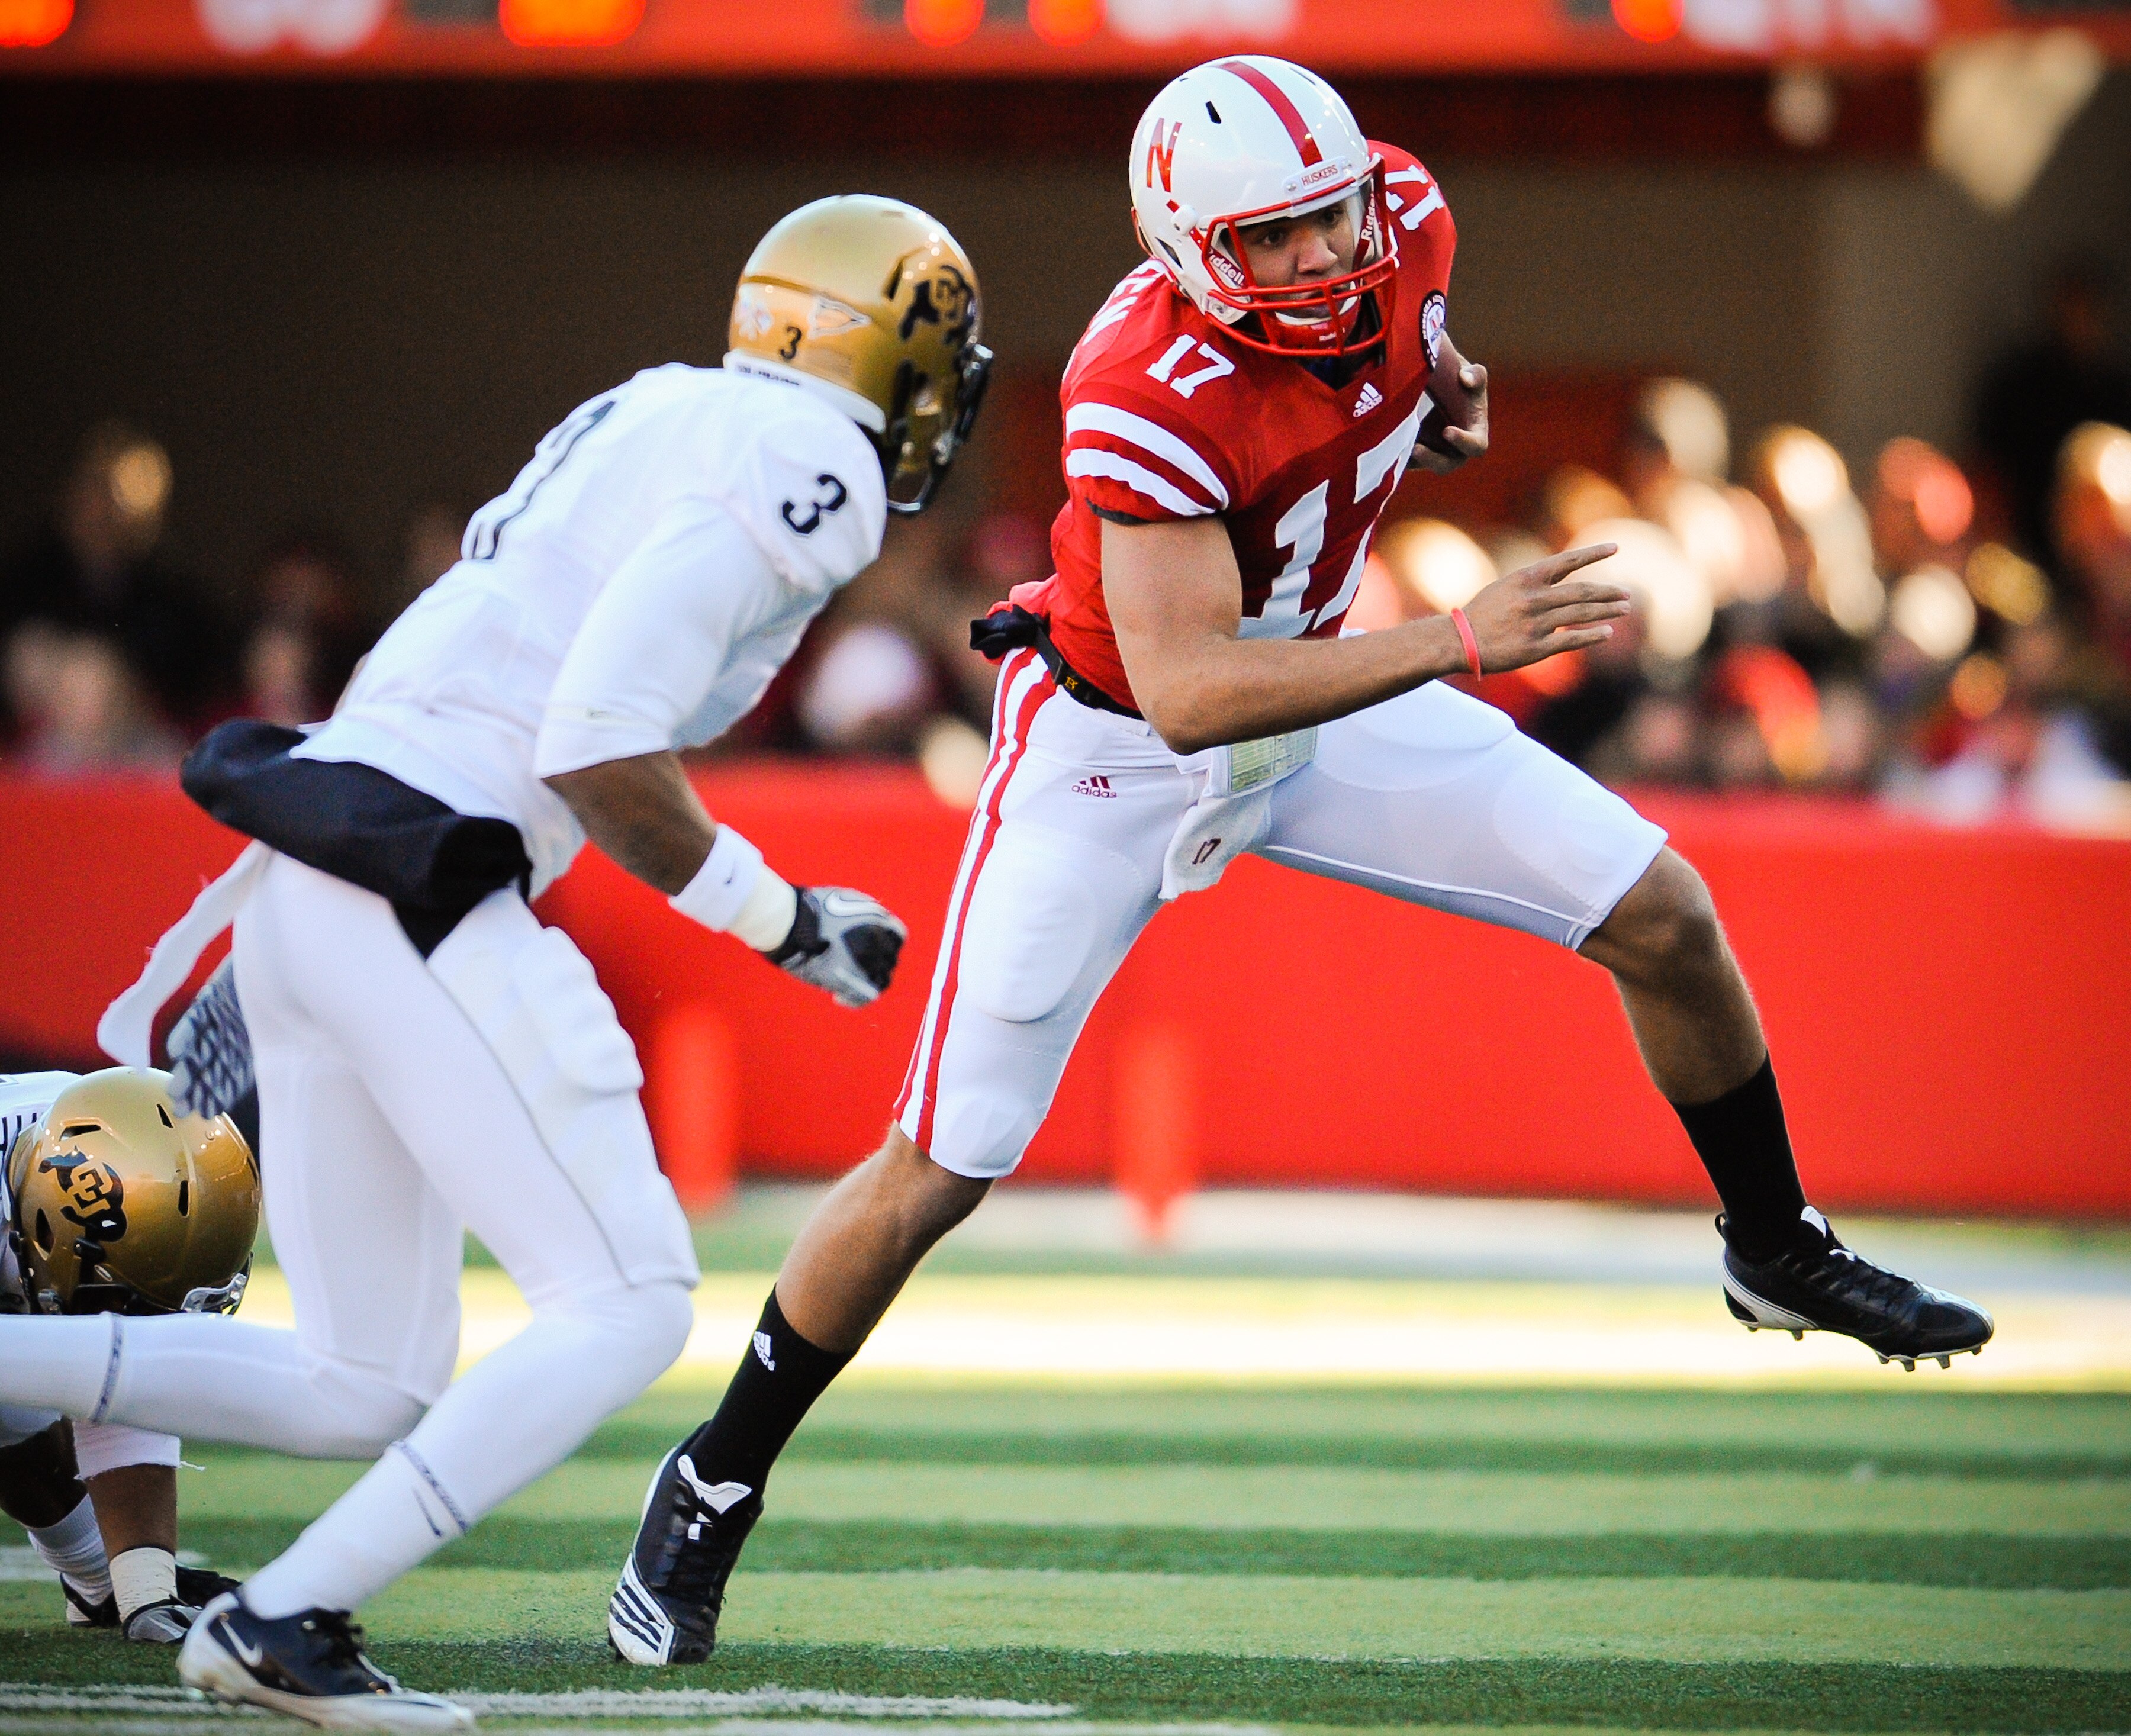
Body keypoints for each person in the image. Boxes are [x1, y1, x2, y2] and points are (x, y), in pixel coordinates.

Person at [608, 54, 1997, 1669]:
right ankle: (714, 1472)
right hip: (1123, 740)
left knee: (1666, 911)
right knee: (945, 1157)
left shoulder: (1401, 215)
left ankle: (1774, 1244)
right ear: (1195, 253)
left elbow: (1404, 344)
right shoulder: (1142, 382)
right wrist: (1461, 637)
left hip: (1326, 679)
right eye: (1276, 241)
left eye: (1334, 217)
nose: (1327, 257)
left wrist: (1446, 390)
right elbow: (1195, 686)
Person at [0, 194, 990, 1731]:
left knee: (366, 1373)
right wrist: (781, 916)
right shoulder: (819, 460)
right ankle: (285, 1617)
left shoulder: (661, 403)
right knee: (632, 1295)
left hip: (317, 856)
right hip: (417, 872)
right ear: (892, 352)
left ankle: (249, 1591)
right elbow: (592, 737)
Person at [0, 1068, 253, 1642]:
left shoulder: (106, 1135)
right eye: (121, 1299)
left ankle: (105, 1585)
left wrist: (145, 1592)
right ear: (44, 1228)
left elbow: (126, 1362)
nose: (135, 1327)